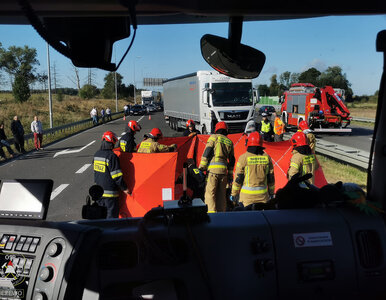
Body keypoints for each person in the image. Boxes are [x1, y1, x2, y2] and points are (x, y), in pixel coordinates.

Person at [199, 121, 235, 213]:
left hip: (213, 172)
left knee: (210, 194)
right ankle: (221, 216)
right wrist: (230, 176)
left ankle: (211, 216)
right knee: (221, 195)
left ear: (216, 129)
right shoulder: (229, 142)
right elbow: (232, 161)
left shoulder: (213, 138)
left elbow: (207, 152)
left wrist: (202, 167)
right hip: (224, 173)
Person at [231, 132, 275, 207]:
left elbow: (238, 178)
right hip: (263, 198)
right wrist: (271, 193)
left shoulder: (243, 158)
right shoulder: (267, 157)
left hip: (246, 200)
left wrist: (234, 194)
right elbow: (271, 178)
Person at [93, 131, 130, 218]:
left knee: (101, 217)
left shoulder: (96, 154)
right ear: (111, 142)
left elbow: (96, 173)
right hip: (110, 194)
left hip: (99, 192)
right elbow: (116, 176)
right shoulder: (112, 156)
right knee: (111, 219)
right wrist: (124, 188)